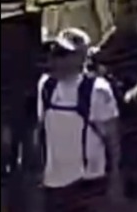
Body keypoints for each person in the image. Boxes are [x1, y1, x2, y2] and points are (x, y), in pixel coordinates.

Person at [37, 27, 122, 212]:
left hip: (89, 182)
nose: (55, 59)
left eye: (63, 54)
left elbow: (112, 137)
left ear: (80, 58)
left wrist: (114, 178)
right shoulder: (46, 85)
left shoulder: (97, 90)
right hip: (54, 183)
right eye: (55, 53)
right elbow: (41, 127)